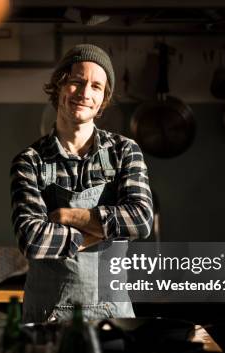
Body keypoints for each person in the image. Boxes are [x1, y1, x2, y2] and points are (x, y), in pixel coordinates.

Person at [10, 44, 154, 323]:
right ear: (59, 86)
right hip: (47, 317)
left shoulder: (124, 151)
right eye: (77, 82)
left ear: (103, 98)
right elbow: (31, 239)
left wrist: (69, 216)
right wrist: (105, 233)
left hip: (115, 316)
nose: (85, 93)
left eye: (96, 86)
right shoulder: (30, 161)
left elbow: (141, 219)